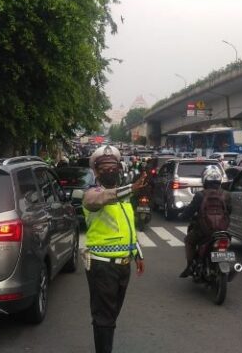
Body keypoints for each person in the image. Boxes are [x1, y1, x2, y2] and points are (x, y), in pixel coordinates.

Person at [82, 145, 147, 353]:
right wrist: (130, 189)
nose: (110, 170)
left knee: (110, 316)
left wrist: (137, 253)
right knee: (104, 317)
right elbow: (100, 199)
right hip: (102, 266)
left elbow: (129, 226)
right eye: (104, 167)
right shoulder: (92, 195)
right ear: (96, 171)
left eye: (113, 166)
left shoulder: (123, 198)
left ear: (119, 169)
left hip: (122, 267)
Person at [178, 165, 230, 278]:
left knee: (189, 241)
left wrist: (182, 216)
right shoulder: (226, 195)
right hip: (222, 231)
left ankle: (190, 266)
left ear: (205, 180)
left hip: (204, 231)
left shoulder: (200, 195)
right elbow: (229, 211)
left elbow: (189, 211)